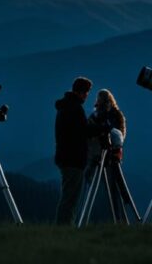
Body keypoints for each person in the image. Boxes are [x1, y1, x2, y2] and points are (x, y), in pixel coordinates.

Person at [54, 76, 93, 225]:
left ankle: (63, 227)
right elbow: (82, 131)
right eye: (87, 92)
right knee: (70, 198)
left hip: (64, 157)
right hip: (73, 159)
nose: (87, 96)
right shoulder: (74, 108)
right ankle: (64, 229)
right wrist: (101, 129)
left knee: (68, 196)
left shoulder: (66, 106)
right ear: (81, 92)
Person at [86, 89, 128, 220]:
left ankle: (118, 218)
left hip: (108, 156)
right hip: (99, 154)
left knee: (112, 189)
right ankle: (116, 219)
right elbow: (121, 134)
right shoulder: (104, 115)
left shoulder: (110, 115)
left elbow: (118, 135)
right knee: (110, 189)